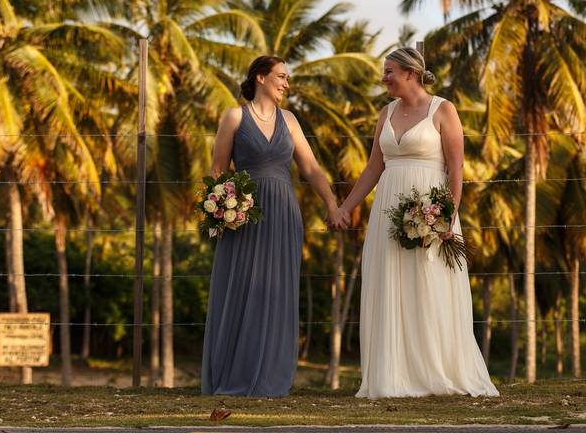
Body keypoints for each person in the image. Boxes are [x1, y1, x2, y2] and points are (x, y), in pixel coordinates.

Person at [339, 47, 498, 398]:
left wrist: (445, 217)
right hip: (387, 211)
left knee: (429, 285)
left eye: (389, 71)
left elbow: (456, 169)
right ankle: (393, 375)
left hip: (431, 208)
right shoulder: (386, 112)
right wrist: (345, 207)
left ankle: (436, 371)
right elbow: (373, 168)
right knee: (390, 282)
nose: (384, 78)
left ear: (411, 73)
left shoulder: (443, 110)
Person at [201, 55, 346, 396]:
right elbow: (217, 171)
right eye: (281, 76)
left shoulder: (290, 120)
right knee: (242, 288)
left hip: (283, 214)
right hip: (245, 216)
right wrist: (224, 208)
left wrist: (332, 204)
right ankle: (232, 371)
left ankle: (269, 376)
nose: (286, 83)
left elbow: (309, 168)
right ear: (261, 77)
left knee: (277, 291)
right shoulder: (234, 117)